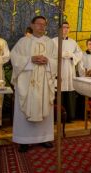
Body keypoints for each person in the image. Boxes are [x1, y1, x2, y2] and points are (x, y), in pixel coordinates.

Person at [11, 16, 58, 152]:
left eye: (44, 25)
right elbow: (14, 58)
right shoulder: (23, 42)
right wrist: (30, 60)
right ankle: (24, 140)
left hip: (44, 82)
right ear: (32, 25)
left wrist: (48, 61)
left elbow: (56, 60)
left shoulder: (50, 43)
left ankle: (44, 138)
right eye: (38, 24)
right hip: (27, 82)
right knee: (25, 109)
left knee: (44, 107)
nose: (41, 27)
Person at [52, 22, 82, 123]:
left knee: (69, 92)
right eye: (63, 27)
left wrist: (72, 55)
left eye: (67, 28)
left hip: (69, 69)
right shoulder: (53, 41)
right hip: (58, 70)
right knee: (59, 91)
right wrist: (62, 54)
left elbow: (79, 54)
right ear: (59, 29)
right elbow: (49, 53)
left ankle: (69, 116)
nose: (65, 29)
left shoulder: (73, 42)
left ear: (69, 29)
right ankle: (57, 117)